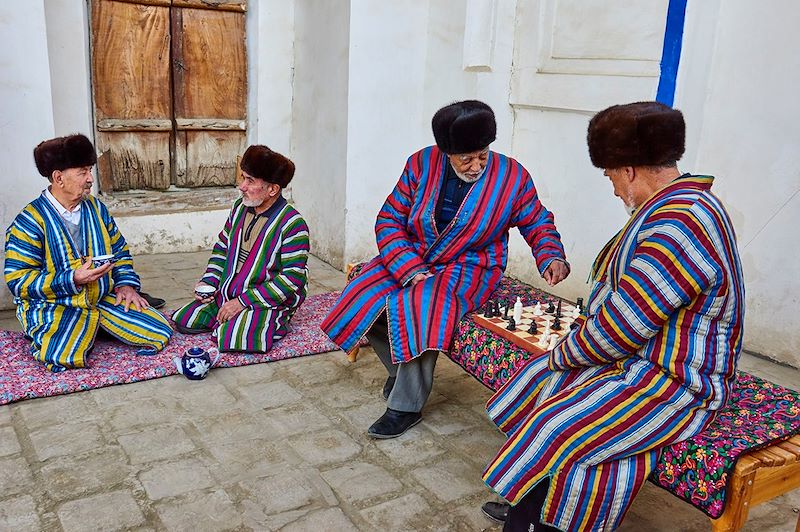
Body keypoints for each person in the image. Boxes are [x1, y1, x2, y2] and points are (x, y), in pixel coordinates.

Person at [479, 101, 745, 531]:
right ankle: (533, 509)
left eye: (610, 176)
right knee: (547, 387)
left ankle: (547, 522)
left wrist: (563, 352)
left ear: (630, 170)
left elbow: (622, 326)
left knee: (557, 425)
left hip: (678, 382)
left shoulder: (682, 222)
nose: (614, 190)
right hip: (641, 358)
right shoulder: (675, 206)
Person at [321, 100, 570, 439]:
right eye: (465, 158)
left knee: (423, 304)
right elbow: (390, 219)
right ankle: (399, 371)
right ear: (445, 151)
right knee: (363, 293)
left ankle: (405, 407)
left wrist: (550, 254)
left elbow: (537, 219)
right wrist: (410, 267)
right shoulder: (421, 164)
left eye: (482, 155)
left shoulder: (512, 176)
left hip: (472, 264)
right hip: (416, 255)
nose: (476, 165)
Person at [4, 134, 173, 372]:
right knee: (61, 354)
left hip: (100, 298)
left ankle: (94, 326)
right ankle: (76, 327)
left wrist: (126, 286)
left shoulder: (96, 208)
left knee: (159, 329)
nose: (90, 179)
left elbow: (119, 251)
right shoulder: (29, 221)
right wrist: (72, 279)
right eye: (83, 172)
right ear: (58, 178)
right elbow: (18, 280)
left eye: (90, 170)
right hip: (56, 303)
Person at [172, 145, 309, 353]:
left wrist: (243, 302)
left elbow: (292, 279)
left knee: (233, 338)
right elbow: (222, 249)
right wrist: (209, 282)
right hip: (231, 290)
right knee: (186, 319)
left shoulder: (293, 224)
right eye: (243, 178)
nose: (242, 186)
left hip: (266, 298)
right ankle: (232, 313)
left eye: (250, 181)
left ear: (272, 189)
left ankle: (275, 320)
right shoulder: (239, 208)